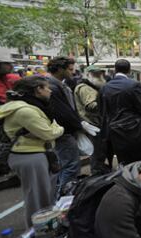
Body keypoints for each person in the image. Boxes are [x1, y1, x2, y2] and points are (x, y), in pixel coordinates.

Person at [0, 76, 64, 227]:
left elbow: (46, 130)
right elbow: (49, 132)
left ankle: (47, 226)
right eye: (46, 87)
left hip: (35, 153)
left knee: (43, 193)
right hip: (30, 156)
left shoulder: (29, 106)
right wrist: (59, 128)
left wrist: (52, 128)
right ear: (38, 90)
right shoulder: (25, 111)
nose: (50, 90)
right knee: (37, 196)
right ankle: (37, 231)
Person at [48, 57, 96, 196]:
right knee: (70, 167)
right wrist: (79, 125)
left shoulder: (60, 85)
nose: (73, 72)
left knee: (67, 166)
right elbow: (63, 112)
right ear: (60, 69)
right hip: (64, 133)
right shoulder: (53, 87)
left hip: (66, 131)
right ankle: (65, 198)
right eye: (70, 69)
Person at [100, 59, 141, 165]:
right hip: (136, 131)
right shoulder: (134, 85)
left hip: (116, 132)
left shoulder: (105, 87)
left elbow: (103, 111)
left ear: (115, 70)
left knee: (124, 164)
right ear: (129, 70)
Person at [74, 65, 110, 175]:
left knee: (99, 150)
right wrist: (107, 101)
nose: (99, 76)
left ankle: (99, 170)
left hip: (95, 123)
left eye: (100, 74)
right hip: (92, 125)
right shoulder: (85, 88)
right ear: (88, 74)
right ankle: (96, 173)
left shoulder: (93, 86)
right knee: (96, 151)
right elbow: (91, 106)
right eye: (96, 74)